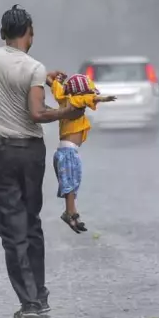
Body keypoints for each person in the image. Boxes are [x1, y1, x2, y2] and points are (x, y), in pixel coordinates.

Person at [0, 4, 85, 318]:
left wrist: (42, 78)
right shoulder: (35, 68)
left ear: (2, 34)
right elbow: (37, 113)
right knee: (31, 222)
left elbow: (14, 78)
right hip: (31, 153)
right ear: (31, 33)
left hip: (1, 153)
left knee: (12, 229)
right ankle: (39, 292)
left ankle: (30, 301)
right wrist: (67, 112)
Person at [47, 72, 116, 234]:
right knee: (70, 185)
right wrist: (102, 99)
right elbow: (86, 99)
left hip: (67, 151)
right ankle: (70, 213)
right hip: (68, 152)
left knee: (72, 183)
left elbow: (54, 86)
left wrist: (54, 79)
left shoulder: (64, 98)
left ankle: (72, 213)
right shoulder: (75, 100)